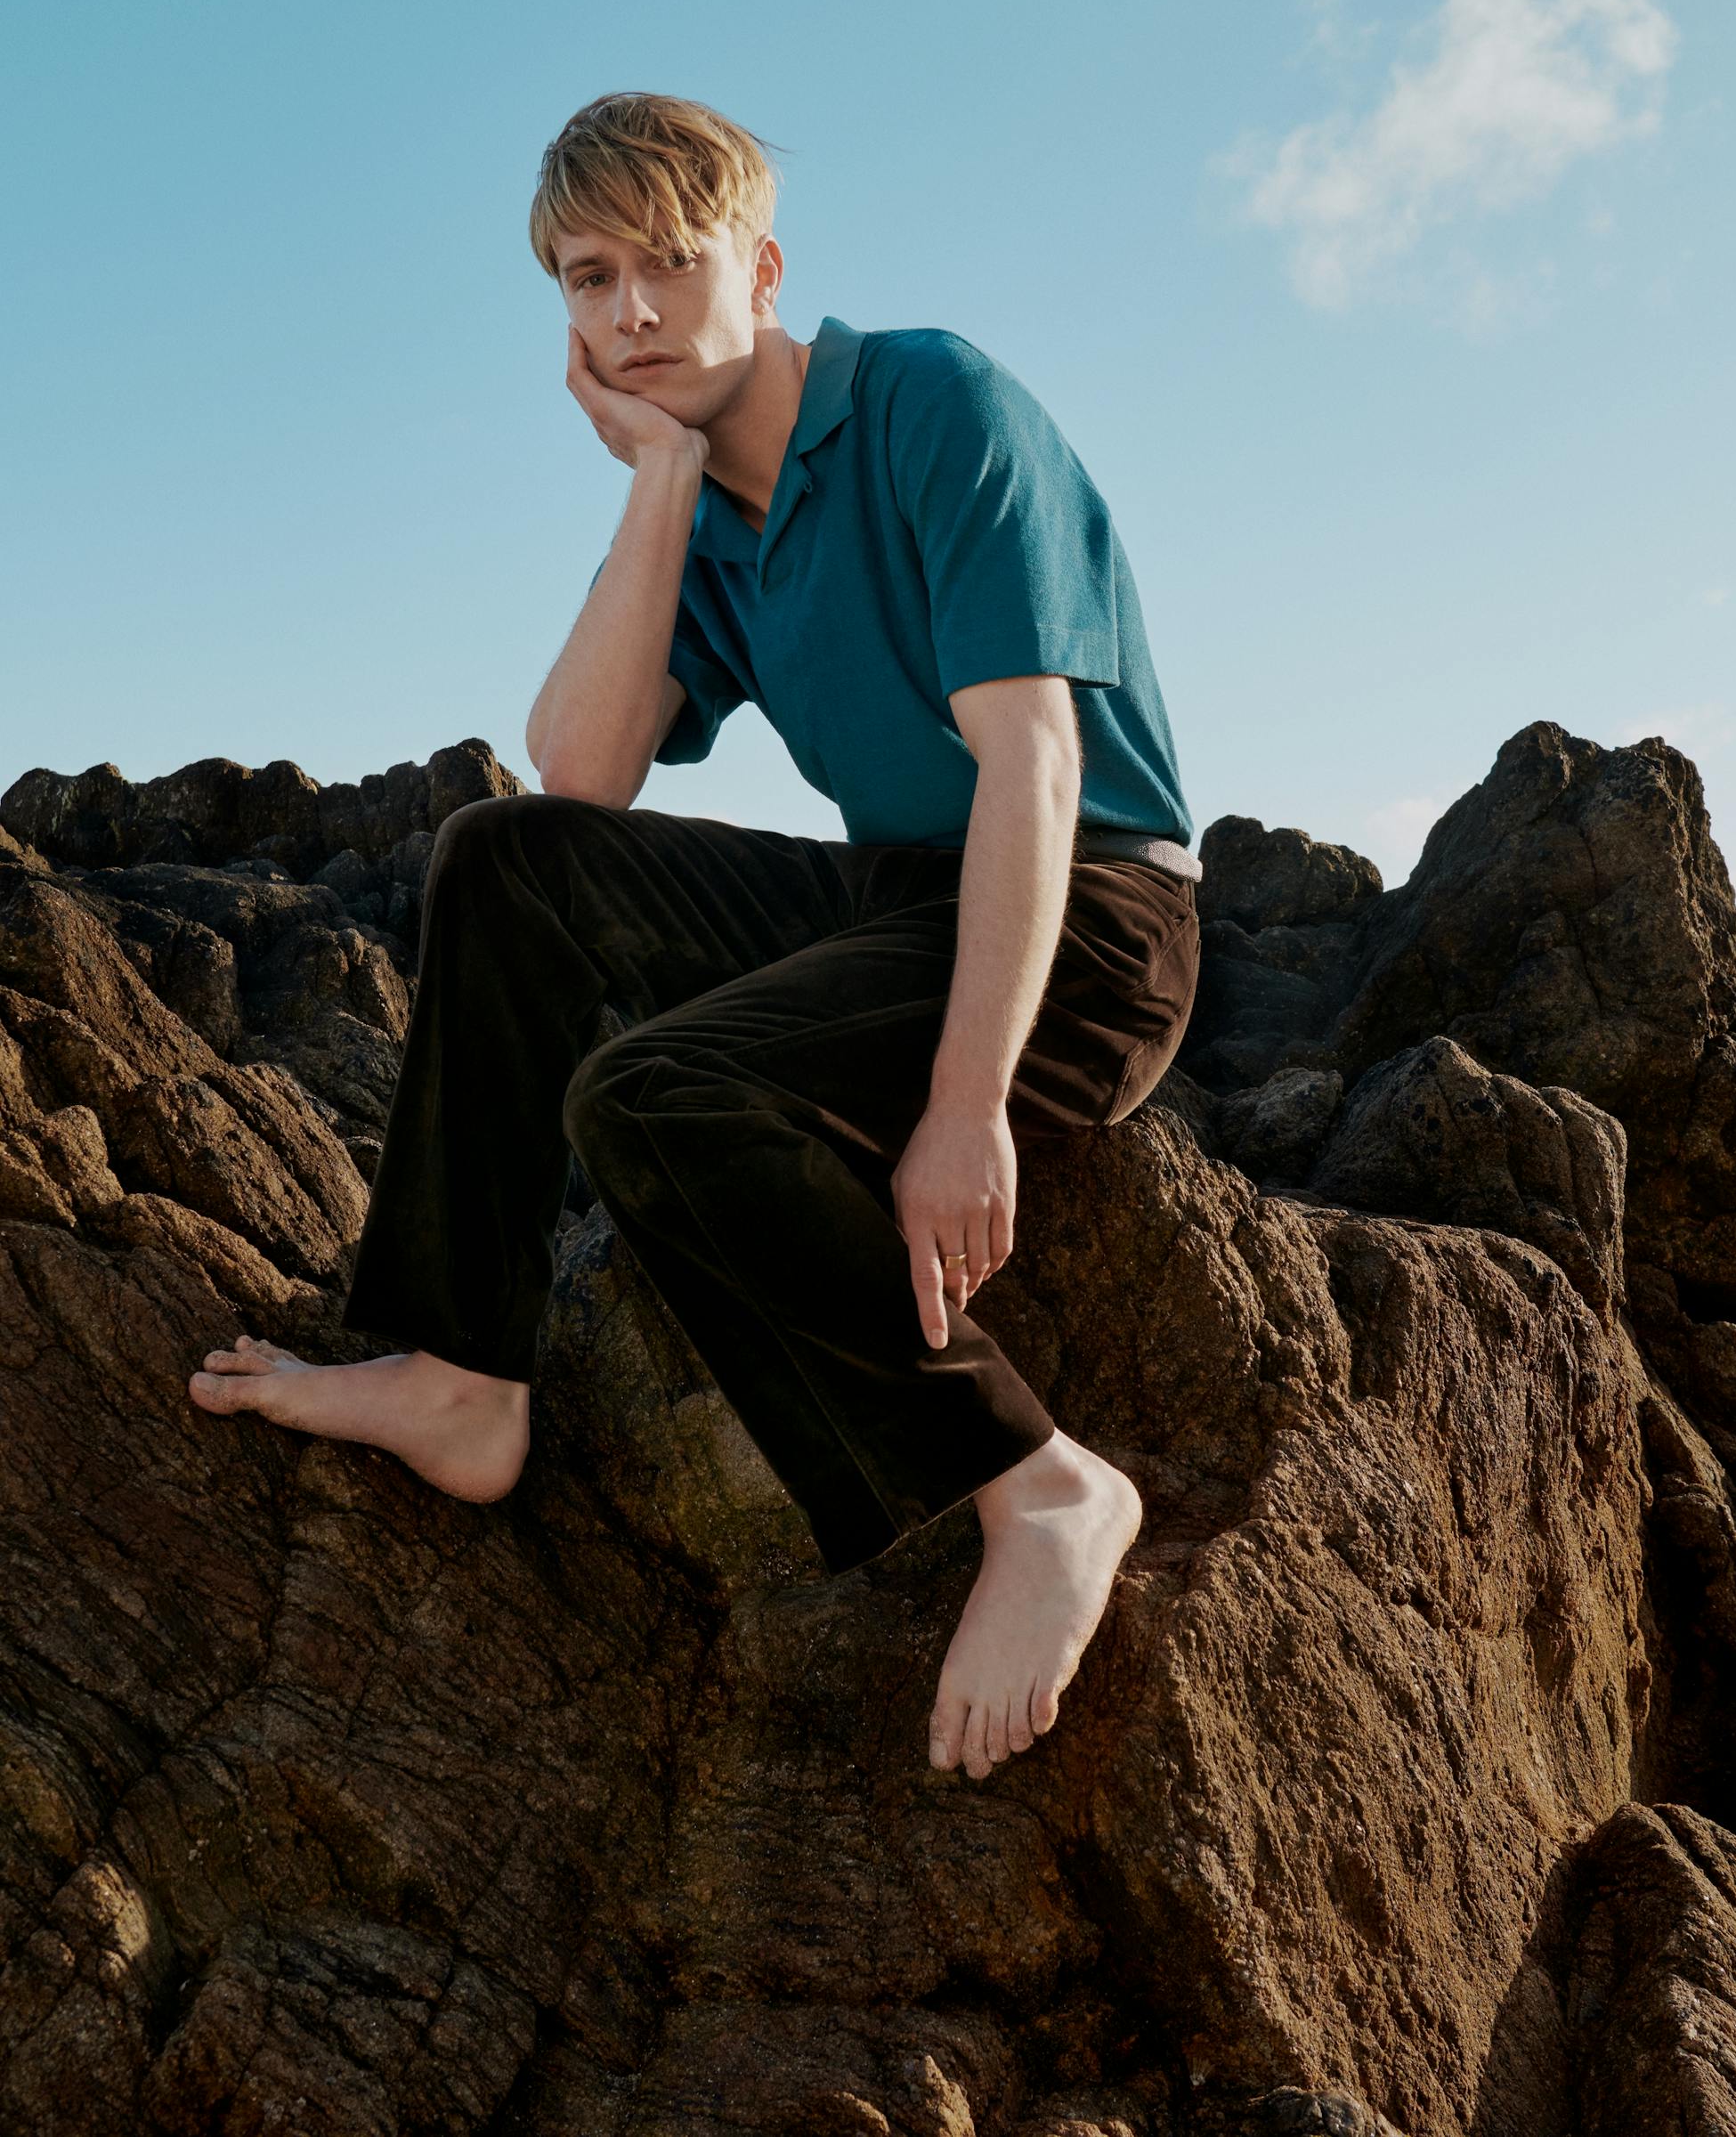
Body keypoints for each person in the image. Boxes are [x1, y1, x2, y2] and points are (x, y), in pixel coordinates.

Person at [189, 91, 1203, 1785]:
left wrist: (967, 1108)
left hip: (1094, 919)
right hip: (897, 895)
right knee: (501, 858)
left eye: (670, 261)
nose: (631, 311)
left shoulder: (932, 402)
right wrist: (661, 477)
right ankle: (462, 1372)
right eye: (590, 279)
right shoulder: (713, 512)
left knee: (648, 1097)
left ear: (764, 264)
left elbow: (1033, 761)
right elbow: (580, 784)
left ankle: (1043, 1485)